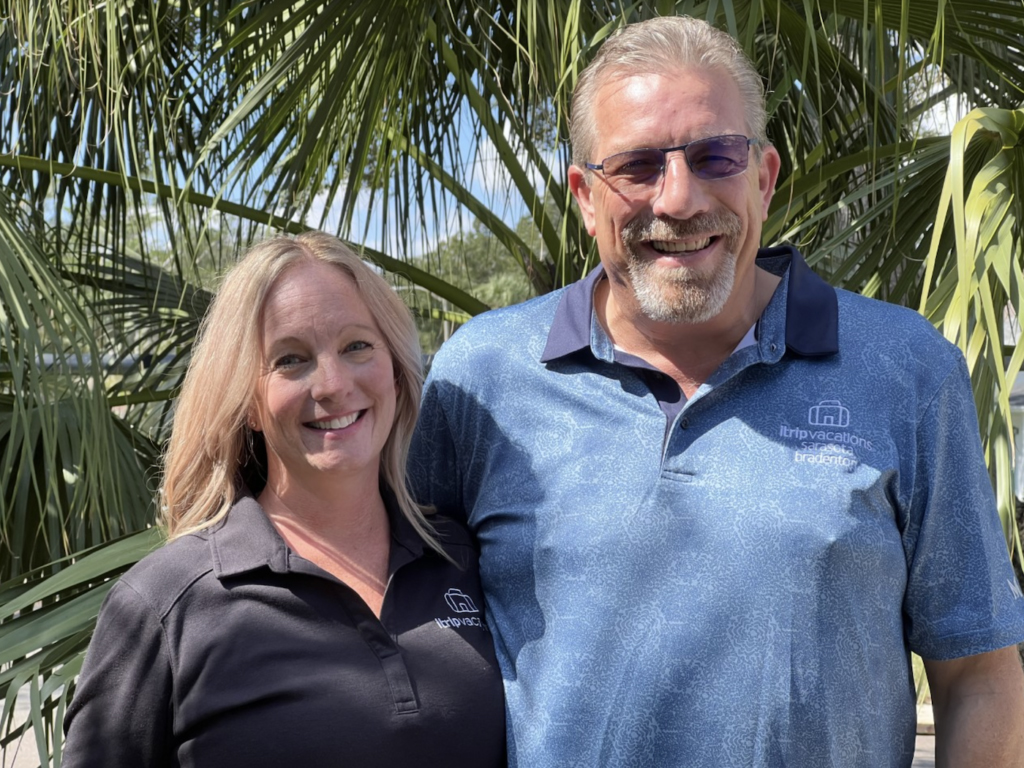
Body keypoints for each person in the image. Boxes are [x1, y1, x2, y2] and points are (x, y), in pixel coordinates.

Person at [408, 15, 1024, 768]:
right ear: (585, 197)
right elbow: (397, 631)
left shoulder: (905, 369)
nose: (679, 199)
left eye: (715, 157)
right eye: (637, 166)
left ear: (763, 177)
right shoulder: (483, 378)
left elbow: (979, 673)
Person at [63, 232, 505, 767]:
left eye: (357, 346)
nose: (332, 384)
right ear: (248, 403)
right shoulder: (165, 603)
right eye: (291, 359)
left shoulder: (464, 560)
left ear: (394, 369)